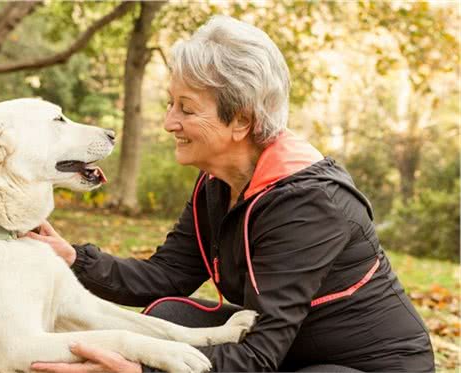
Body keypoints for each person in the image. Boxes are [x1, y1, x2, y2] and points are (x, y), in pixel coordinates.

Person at [27, 15, 435, 373]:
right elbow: (167, 276)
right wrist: (73, 258)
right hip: (288, 353)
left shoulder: (310, 205)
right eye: (171, 103)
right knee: (171, 316)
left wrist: (141, 370)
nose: (170, 122)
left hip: (361, 366)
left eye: (186, 109)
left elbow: (258, 356)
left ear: (241, 120)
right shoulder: (219, 182)